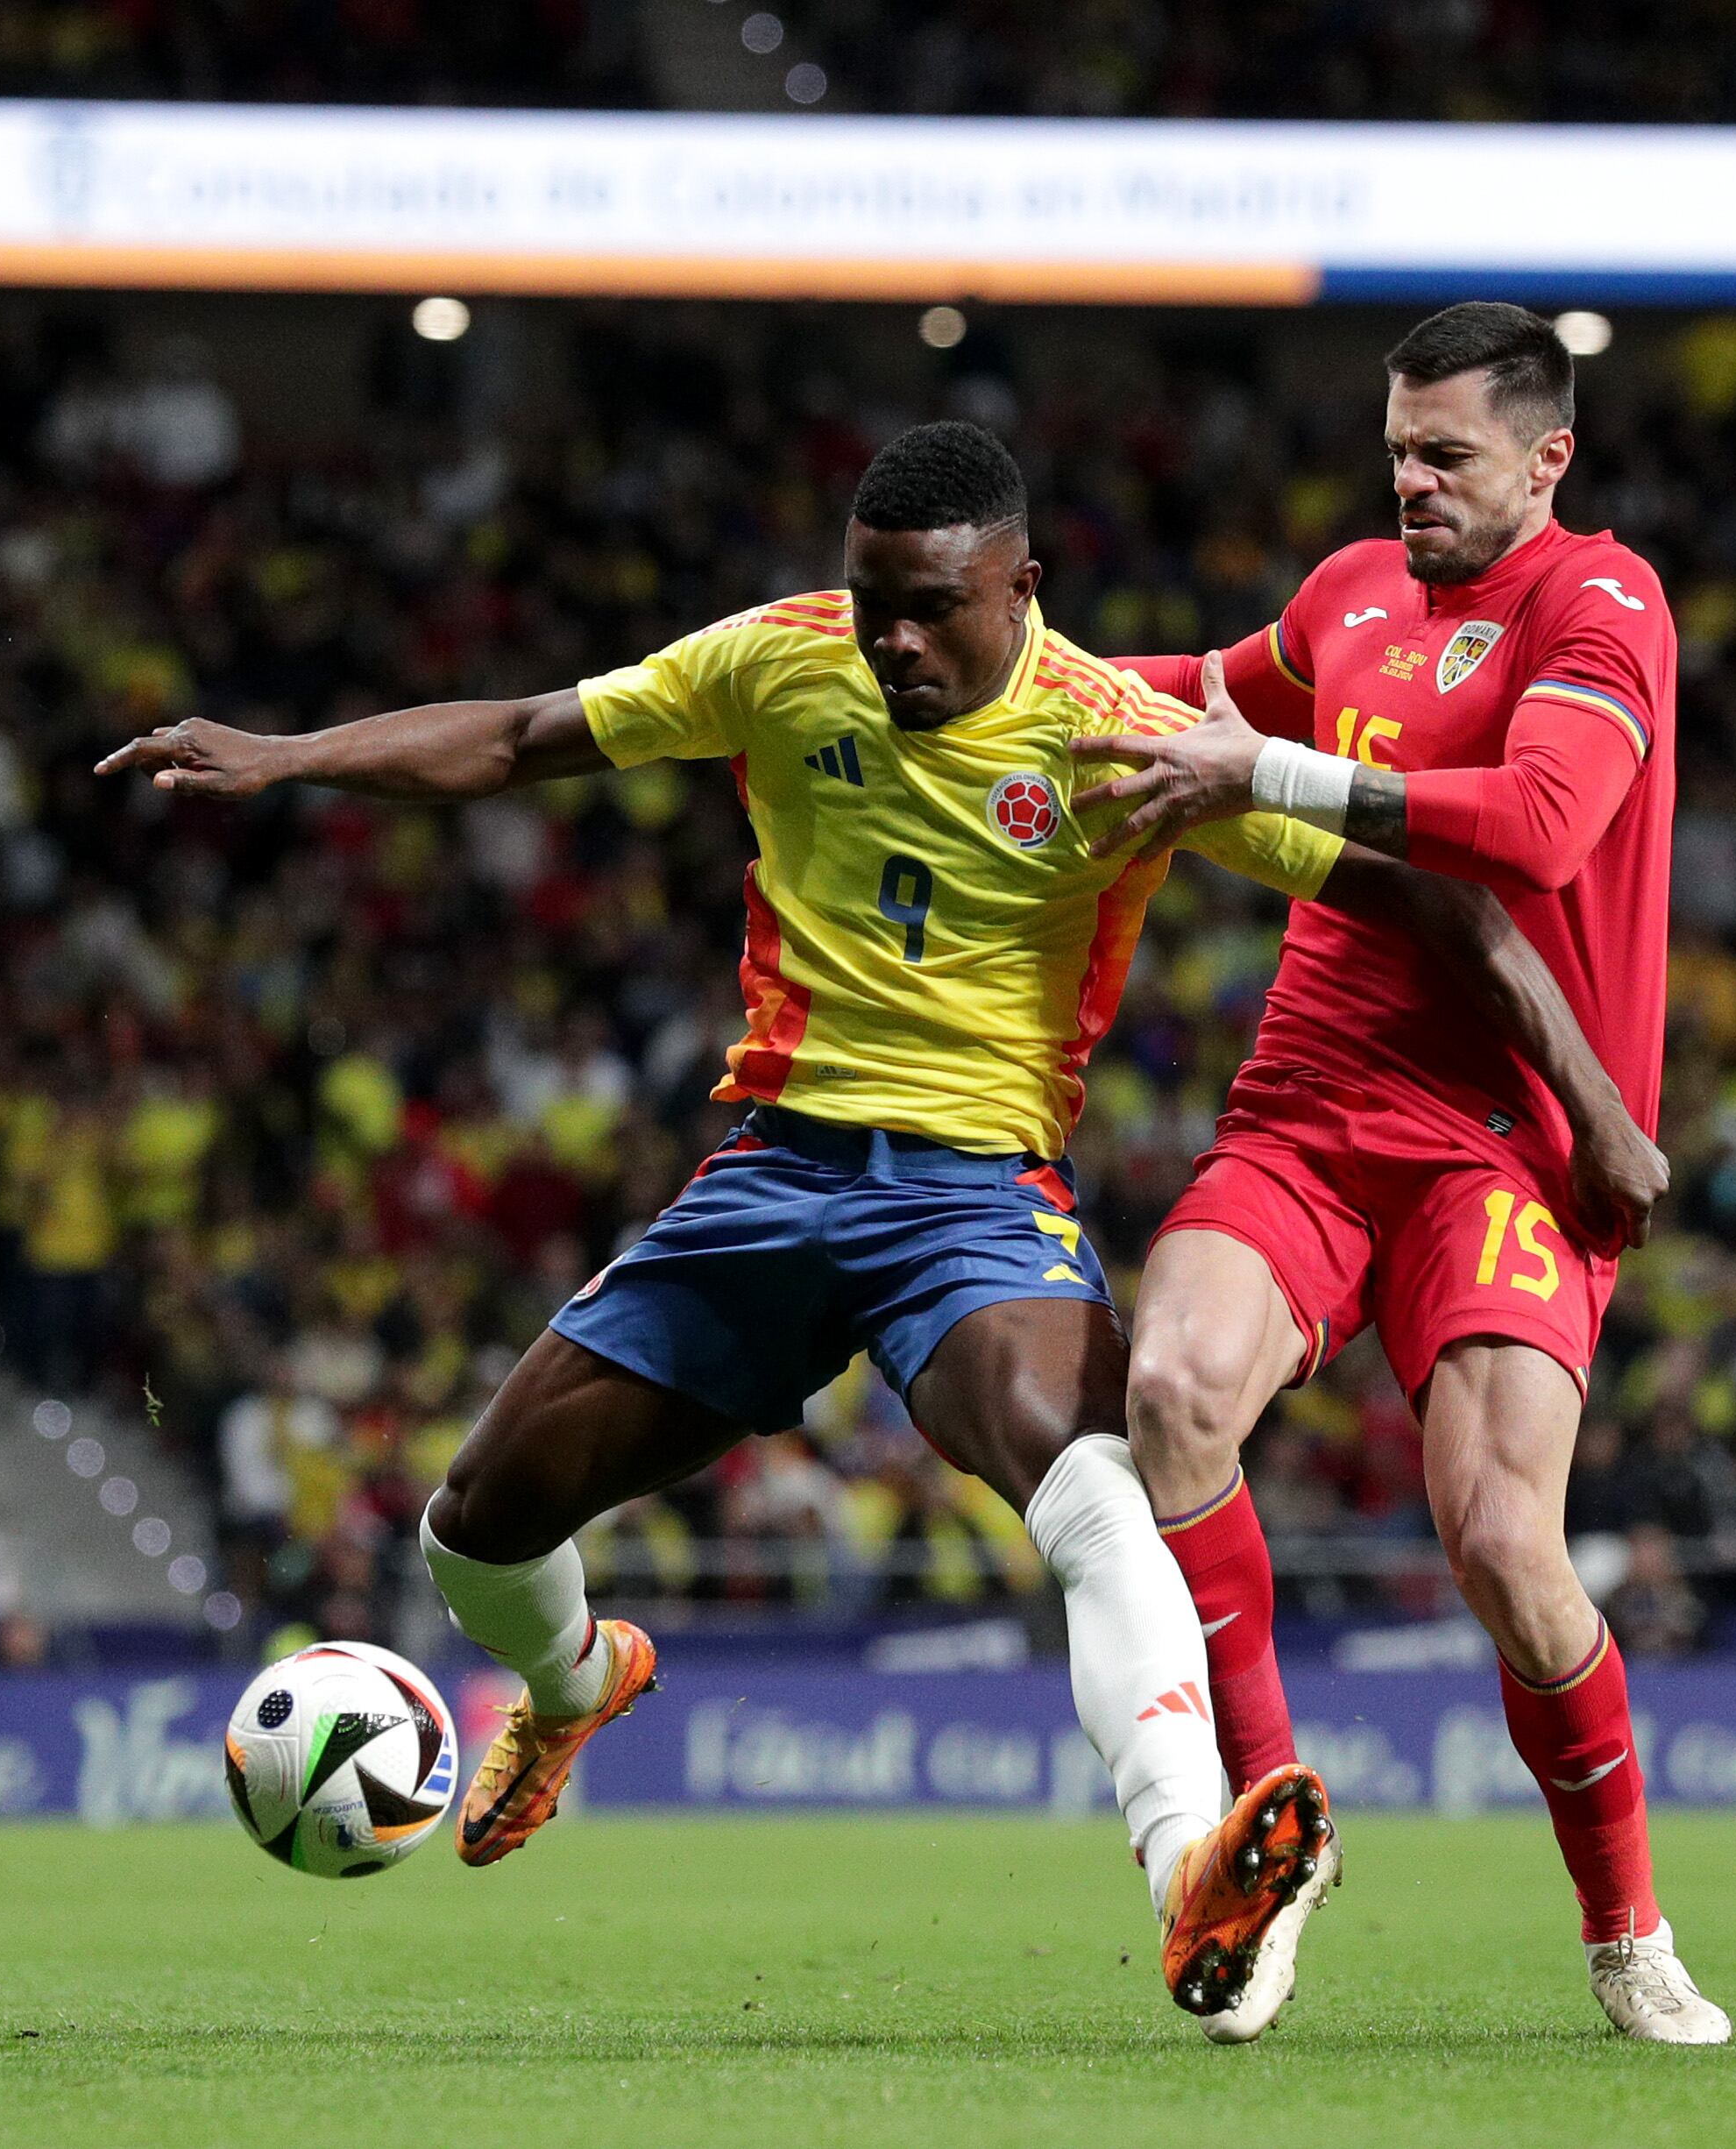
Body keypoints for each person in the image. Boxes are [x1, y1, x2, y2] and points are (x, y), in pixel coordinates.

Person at [99, 419, 1633, 2043]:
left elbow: (1438, 897)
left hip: (972, 1205)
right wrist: (283, 754)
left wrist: (1593, 1108)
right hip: (771, 1178)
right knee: (470, 1532)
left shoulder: (1122, 735)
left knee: (1094, 1489)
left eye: (930, 608)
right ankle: (571, 1686)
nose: (890, 637)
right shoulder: (781, 661)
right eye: (872, 599)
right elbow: (522, 736)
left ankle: (1200, 1876)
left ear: (1021, 589)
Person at [1075, 301, 1729, 2043]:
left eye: (1449, 455)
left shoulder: (1603, 603)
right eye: (1399, 453)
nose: (1416, 484)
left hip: (1507, 1131)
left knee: (1505, 1541)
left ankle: (1626, 1928)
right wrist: (1018, 668)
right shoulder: (1351, 590)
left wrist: (1271, 769)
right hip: (1311, 1097)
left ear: (1548, 456)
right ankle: (1270, 1828)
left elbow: (1534, 825)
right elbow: (1197, 698)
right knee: (1174, 1385)